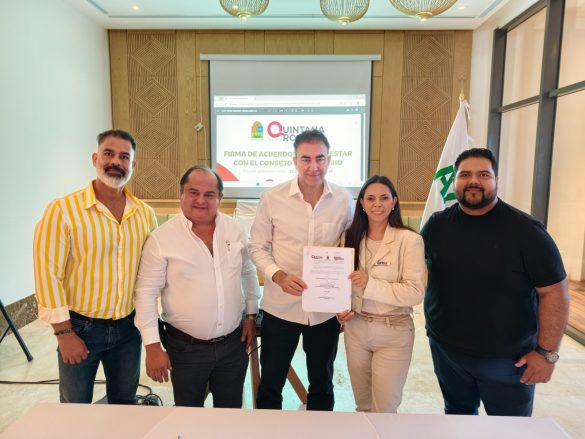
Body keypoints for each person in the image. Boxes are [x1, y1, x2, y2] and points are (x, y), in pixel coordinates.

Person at [421, 147, 570, 416]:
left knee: (509, 429)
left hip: (507, 360)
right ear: (454, 181)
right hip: (447, 352)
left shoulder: (527, 232)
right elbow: (416, 273)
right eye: (465, 175)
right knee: (457, 419)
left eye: (483, 175)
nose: (473, 181)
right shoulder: (436, 226)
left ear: (496, 180)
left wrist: (546, 354)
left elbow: (554, 293)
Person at [33, 129, 157, 404]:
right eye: (108, 154)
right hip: (80, 329)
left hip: (128, 330)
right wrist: (64, 333)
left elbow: (149, 275)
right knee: (75, 407)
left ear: (133, 165)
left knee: (124, 403)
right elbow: (48, 274)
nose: (115, 162)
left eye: (124, 157)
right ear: (95, 158)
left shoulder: (144, 214)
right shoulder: (62, 210)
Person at [134, 166, 260, 407]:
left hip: (233, 346)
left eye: (209, 194)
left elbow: (247, 270)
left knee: (230, 413)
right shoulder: (161, 239)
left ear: (220, 197)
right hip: (186, 350)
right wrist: (152, 346)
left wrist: (251, 315)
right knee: (188, 415)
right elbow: (146, 294)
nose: (201, 200)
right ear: (181, 194)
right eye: (193, 192)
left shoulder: (235, 229)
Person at [249, 129, 354, 410]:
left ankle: (319, 429)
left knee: (322, 384)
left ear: (329, 160)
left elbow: (350, 251)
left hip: (324, 311)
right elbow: (257, 247)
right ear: (294, 160)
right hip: (280, 308)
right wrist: (278, 275)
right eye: (305, 159)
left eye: (320, 158)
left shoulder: (344, 200)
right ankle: (269, 429)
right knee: (271, 383)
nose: (313, 166)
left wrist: (346, 299)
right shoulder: (272, 198)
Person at [337, 175, 425, 413]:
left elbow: (415, 292)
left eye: (384, 198)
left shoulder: (410, 240)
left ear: (394, 202)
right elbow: (341, 284)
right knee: (363, 406)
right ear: (362, 203)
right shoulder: (349, 237)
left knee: (385, 409)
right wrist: (340, 310)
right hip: (356, 329)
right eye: (371, 198)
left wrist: (370, 284)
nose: (377, 204)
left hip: (393, 331)